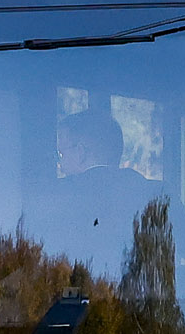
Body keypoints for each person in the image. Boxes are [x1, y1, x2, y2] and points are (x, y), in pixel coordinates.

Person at [27, 104, 161, 278]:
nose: (60, 164)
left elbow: (31, 261)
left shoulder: (55, 197)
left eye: (61, 154)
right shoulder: (155, 194)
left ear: (81, 152)